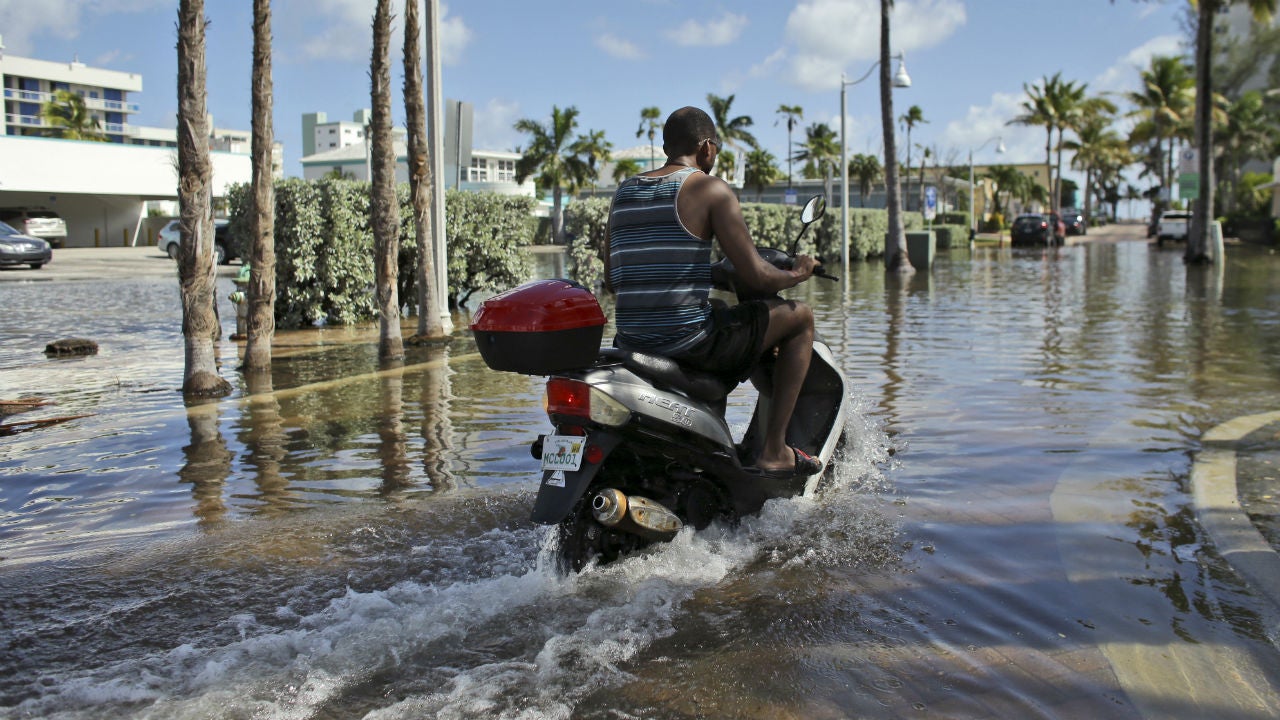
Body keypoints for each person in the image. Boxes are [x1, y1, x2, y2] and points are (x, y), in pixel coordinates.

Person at [604, 106, 823, 478]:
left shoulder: (623, 192)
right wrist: (799, 272)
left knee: (720, 307)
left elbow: (613, 280)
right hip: (687, 343)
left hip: (630, 341)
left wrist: (702, 274)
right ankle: (775, 451)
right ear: (707, 147)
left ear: (666, 148)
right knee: (800, 316)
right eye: (716, 149)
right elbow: (758, 277)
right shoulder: (709, 188)